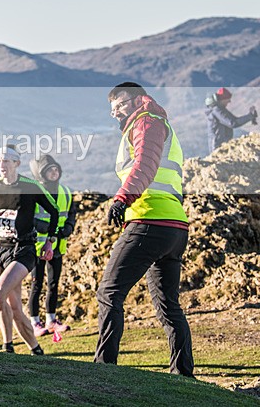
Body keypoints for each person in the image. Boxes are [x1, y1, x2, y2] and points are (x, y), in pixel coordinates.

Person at [95, 82, 194, 377]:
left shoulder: (147, 121)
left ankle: (104, 369)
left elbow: (145, 163)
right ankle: (183, 373)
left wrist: (122, 198)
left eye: (121, 104)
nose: (116, 113)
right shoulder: (155, 123)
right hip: (174, 227)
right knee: (168, 306)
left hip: (149, 221)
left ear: (139, 99)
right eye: (112, 110)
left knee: (109, 292)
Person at [0, 145, 58, 355]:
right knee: (15, 306)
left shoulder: (30, 186)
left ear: (17, 163)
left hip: (24, 250)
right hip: (3, 251)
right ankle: (35, 349)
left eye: (7, 160)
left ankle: (7, 347)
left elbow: (53, 210)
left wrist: (49, 241)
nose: (2, 164)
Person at [27, 154, 77, 337]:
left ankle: (51, 320)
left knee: (53, 284)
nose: (54, 172)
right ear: (41, 174)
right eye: (49, 170)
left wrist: (68, 229)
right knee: (36, 284)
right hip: (38, 246)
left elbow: (71, 213)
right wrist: (48, 229)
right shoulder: (35, 192)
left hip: (58, 246)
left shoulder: (65, 191)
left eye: (56, 169)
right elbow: (29, 218)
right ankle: (34, 322)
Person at [205, 87, 256, 153]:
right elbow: (232, 123)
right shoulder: (217, 111)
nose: (229, 102)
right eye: (228, 100)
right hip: (218, 148)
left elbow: (234, 120)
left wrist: (250, 116)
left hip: (220, 145)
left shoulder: (219, 109)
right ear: (223, 99)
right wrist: (250, 116)